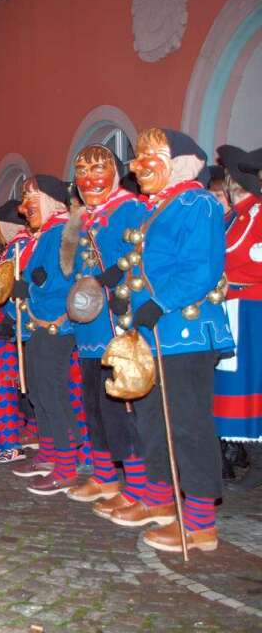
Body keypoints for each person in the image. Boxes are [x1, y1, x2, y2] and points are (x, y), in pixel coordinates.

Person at [114, 129, 232, 553]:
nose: (138, 165)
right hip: (152, 332)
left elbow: (200, 268)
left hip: (183, 331)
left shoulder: (196, 203)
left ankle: (200, 525)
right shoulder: (157, 208)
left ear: (178, 161)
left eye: (149, 156)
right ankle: (160, 503)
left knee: (187, 425)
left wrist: (158, 303)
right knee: (151, 422)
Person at [60, 144, 148, 507]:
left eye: (99, 171)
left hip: (116, 321)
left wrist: (116, 276)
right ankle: (104, 476)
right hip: (88, 326)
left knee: (121, 406)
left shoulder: (129, 208)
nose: (90, 180)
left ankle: (138, 487)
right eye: (82, 173)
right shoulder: (83, 219)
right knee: (94, 405)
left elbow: (140, 252)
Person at [6, 175, 80, 495]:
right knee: (36, 391)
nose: (24, 208)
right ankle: (49, 453)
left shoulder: (66, 230)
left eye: (31, 197)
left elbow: (68, 276)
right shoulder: (45, 234)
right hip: (39, 323)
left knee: (52, 393)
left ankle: (66, 465)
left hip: (58, 324)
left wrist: (39, 281)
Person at [214, 145, 262, 492]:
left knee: (253, 386)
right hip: (231, 309)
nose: (232, 185)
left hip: (253, 311)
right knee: (236, 389)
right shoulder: (233, 217)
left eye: (235, 178)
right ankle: (245, 458)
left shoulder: (257, 214)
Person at [0, 200, 33, 463]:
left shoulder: (21, 249)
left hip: (3, 332)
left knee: (3, 391)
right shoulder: (3, 256)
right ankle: (0, 441)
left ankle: (11, 444)